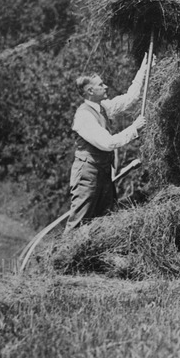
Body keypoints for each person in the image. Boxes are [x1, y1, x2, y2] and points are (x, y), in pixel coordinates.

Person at [66, 55, 150, 231]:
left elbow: (131, 97)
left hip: (102, 172)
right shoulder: (84, 116)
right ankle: (62, 257)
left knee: (104, 221)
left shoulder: (103, 107)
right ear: (90, 91)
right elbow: (108, 143)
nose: (105, 87)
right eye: (100, 85)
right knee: (79, 223)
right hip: (87, 175)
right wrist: (134, 129)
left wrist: (145, 67)